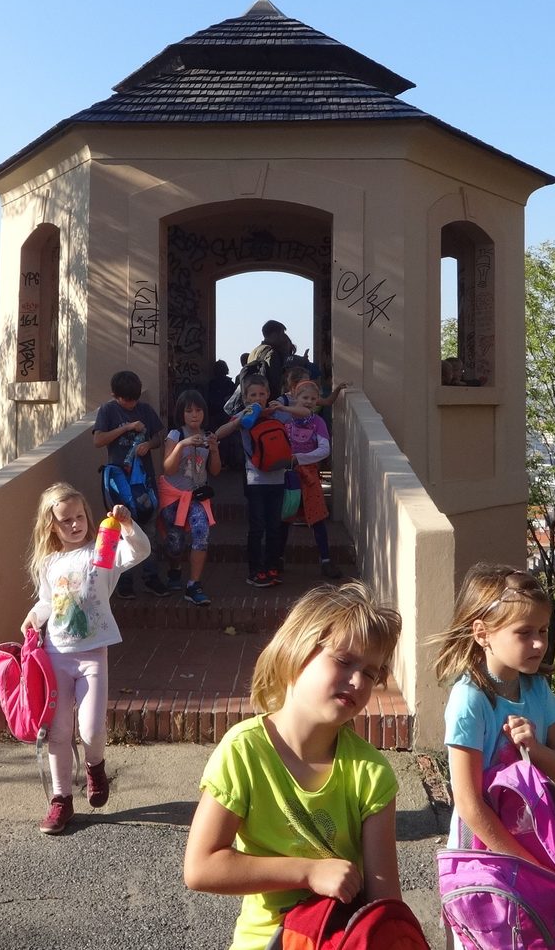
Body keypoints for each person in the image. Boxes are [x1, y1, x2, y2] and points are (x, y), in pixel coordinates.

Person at [183, 582, 404, 950]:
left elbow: (386, 909)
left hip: (338, 941)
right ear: (295, 652)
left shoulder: (372, 773)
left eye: (370, 672)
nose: (357, 680)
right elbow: (201, 867)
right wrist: (309, 871)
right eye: (343, 660)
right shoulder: (244, 751)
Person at [19, 483, 150, 835]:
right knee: (58, 732)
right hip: (56, 655)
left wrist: (126, 524)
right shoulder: (49, 562)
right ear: (51, 525)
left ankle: (95, 766)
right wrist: (33, 617)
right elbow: (47, 601)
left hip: (93, 654)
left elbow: (139, 551)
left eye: (79, 516)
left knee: (91, 728)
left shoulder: (100, 552)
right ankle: (60, 799)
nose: (75, 524)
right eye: (66, 520)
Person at [431, 565, 555, 862]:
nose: (539, 643)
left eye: (542, 630)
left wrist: (536, 749)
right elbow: (469, 804)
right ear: (482, 634)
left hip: (535, 845)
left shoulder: (537, 690)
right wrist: (524, 864)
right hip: (482, 859)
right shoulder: (469, 700)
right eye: (524, 632)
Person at [212, 371, 293, 588]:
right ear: (246, 397)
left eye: (262, 394)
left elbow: (304, 413)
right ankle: (255, 570)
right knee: (257, 526)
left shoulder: (278, 413)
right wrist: (241, 419)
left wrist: (282, 408)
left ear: (268, 394)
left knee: (275, 526)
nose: (258, 398)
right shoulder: (245, 415)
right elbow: (220, 432)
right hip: (255, 480)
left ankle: (272, 566)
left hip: (278, 478)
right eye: (253, 395)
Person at [93, 369, 167, 597]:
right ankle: (124, 582)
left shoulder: (145, 410)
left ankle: (151, 576)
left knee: (149, 528)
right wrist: (126, 427)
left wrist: (149, 445)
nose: (131, 403)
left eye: (134, 399)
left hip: (143, 481)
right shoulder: (108, 410)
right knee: (120, 529)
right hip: (118, 483)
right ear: (115, 396)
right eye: (126, 400)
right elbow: (98, 440)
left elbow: (159, 436)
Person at [160, 389, 220, 607]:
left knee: (201, 533)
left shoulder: (208, 436)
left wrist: (214, 450)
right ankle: (175, 568)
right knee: (175, 543)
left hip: (197, 497)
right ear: (181, 414)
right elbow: (168, 469)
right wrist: (182, 445)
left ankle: (194, 585)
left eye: (198, 410)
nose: (194, 415)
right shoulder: (176, 435)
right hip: (174, 496)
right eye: (189, 411)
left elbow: (215, 471)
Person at [283, 380, 342, 579]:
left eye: (313, 399)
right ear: (295, 397)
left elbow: (324, 450)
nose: (309, 401)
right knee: (285, 517)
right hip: (288, 475)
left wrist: (299, 458)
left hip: (309, 475)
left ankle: (325, 560)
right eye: (305, 397)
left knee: (317, 518)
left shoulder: (318, 422)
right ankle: (277, 558)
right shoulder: (285, 419)